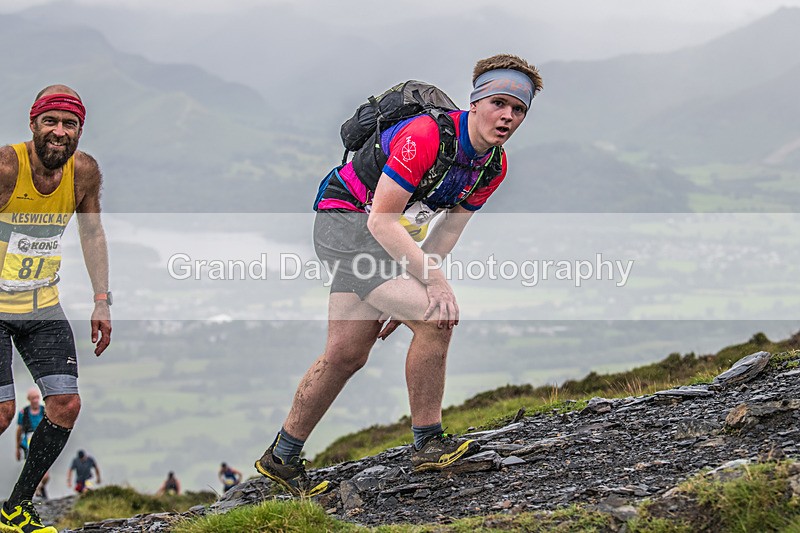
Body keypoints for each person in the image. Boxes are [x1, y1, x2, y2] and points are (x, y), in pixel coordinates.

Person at [255, 54, 542, 496]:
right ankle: (428, 444)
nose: (507, 116)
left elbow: (447, 230)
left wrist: (409, 283)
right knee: (436, 317)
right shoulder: (425, 135)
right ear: (476, 100)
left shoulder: (492, 165)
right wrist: (430, 284)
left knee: (345, 354)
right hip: (346, 226)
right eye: (498, 102)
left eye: (518, 109)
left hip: (387, 240)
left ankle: (282, 457)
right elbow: (380, 220)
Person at [0, 85, 112, 533]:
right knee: (3, 413)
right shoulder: (8, 166)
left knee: (65, 404)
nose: (59, 132)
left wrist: (101, 300)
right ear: (33, 125)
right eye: (50, 122)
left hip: (40, 305)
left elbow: (92, 234)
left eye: (69, 124)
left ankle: (15, 508)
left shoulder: (83, 172)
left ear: (80, 131)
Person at [15, 387, 50, 500]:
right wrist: (17, 448)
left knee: (46, 474)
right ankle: (32, 493)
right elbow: (19, 430)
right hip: (28, 444)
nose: (35, 400)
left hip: (43, 444)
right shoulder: (23, 413)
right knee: (32, 469)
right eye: (33, 398)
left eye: (37, 398)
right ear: (29, 399)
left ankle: (38, 487)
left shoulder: (44, 410)